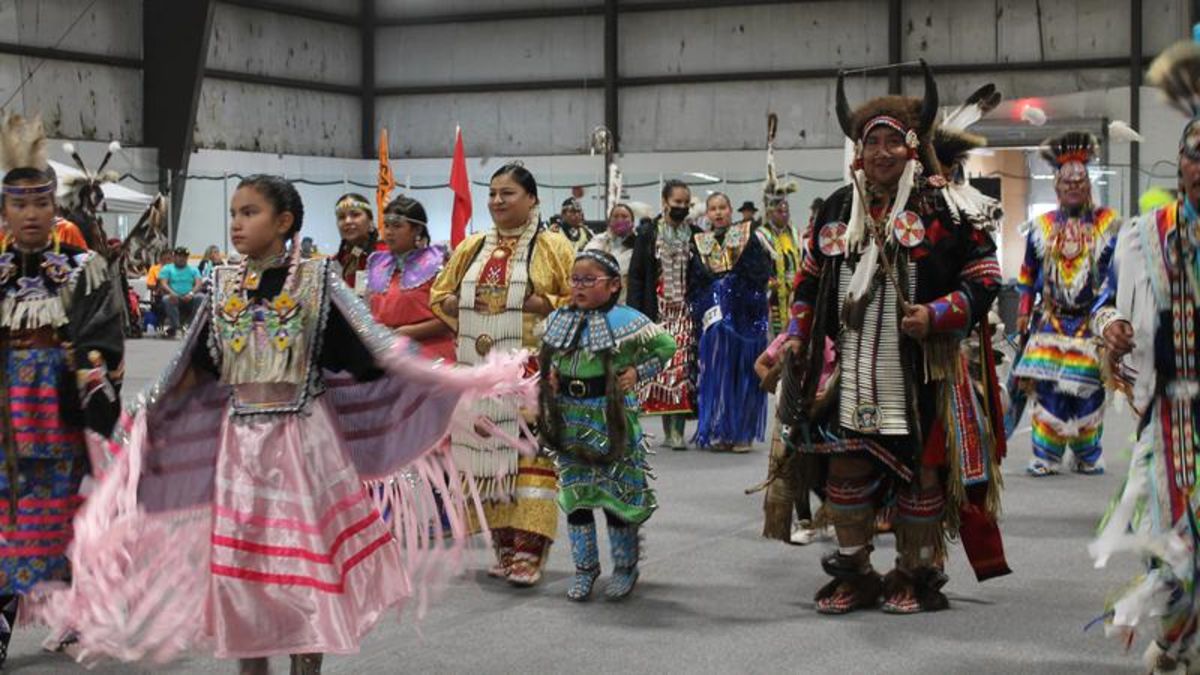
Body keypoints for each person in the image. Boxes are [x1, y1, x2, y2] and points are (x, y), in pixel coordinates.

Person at [34, 174, 533, 673]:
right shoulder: (221, 282)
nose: (237, 223)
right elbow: (193, 367)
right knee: (242, 574)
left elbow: (370, 353)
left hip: (302, 444)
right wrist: (139, 419)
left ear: (285, 221)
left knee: (299, 570)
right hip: (240, 449)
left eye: (249, 212)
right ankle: (252, 667)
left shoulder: (316, 281)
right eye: (234, 213)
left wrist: (457, 381)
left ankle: (304, 667)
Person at [784, 63, 1008, 615]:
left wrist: (936, 314)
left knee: (922, 471)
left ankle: (913, 572)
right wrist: (796, 333)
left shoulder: (946, 204)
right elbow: (810, 279)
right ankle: (856, 572)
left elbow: (983, 278)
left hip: (924, 369)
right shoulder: (838, 207)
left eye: (892, 141)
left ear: (912, 146)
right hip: (855, 365)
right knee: (845, 465)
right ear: (858, 151)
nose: (881, 153)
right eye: (871, 142)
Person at [1090, 39, 1200, 673]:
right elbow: (1105, 303)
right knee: (1174, 537)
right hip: (1171, 415)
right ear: (1180, 164)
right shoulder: (1142, 237)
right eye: (1196, 156)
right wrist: (1113, 328)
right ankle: (1180, 637)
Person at [0, 113, 124, 665]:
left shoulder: (83, 267)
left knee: (62, 526)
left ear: (55, 208)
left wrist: (87, 366)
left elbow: (105, 342)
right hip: (4, 419)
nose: (31, 214)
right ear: (4, 211)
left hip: (59, 418)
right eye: (19, 205)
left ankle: (82, 609)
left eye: (41, 204)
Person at [430, 163, 574, 586]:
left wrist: (541, 303)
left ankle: (530, 550)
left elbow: (576, 298)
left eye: (507, 193)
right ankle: (504, 545)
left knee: (530, 458)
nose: (496, 201)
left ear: (531, 199)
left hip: (532, 375)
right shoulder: (471, 247)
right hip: (479, 371)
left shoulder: (553, 246)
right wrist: (460, 306)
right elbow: (440, 294)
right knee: (486, 458)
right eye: (492, 193)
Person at [540, 249, 676, 601]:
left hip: (611, 418)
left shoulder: (628, 320)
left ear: (614, 285)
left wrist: (637, 371)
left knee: (617, 497)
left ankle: (625, 567)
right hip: (569, 417)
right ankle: (585, 568)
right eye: (575, 280)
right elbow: (551, 354)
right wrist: (554, 375)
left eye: (589, 280)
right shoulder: (561, 319)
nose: (579, 287)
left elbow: (666, 346)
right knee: (577, 497)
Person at [1010, 133, 1119, 477]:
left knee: (1089, 387)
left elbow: (1116, 274)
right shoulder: (1041, 227)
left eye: (1079, 181)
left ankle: (1087, 453)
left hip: (1091, 319)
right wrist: (1024, 308)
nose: (1073, 187)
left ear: (1088, 186)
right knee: (1048, 388)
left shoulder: (1108, 224)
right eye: (1066, 182)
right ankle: (1047, 454)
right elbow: (1028, 272)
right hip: (1051, 320)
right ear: (1056, 188)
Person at [688, 192, 772, 452]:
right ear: (707, 214)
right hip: (716, 322)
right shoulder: (700, 243)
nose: (718, 213)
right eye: (713, 209)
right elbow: (695, 281)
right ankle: (723, 431)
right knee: (719, 376)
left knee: (744, 373)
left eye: (722, 207)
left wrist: (733, 285)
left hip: (745, 318)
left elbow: (760, 273)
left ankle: (743, 433)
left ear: (731, 209)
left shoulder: (750, 237)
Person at [627, 179, 698, 450]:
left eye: (685, 203)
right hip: (656, 309)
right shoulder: (648, 234)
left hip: (685, 312)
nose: (681, 207)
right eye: (676, 202)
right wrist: (635, 315)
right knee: (662, 370)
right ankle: (667, 430)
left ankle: (678, 432)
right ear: (665, 202)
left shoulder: (695, 234)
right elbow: (636, 276)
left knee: (681, 370)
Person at [365, 194, 454, 361]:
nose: (389, 232)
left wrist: (407, 333)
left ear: (417, 229)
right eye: (387, 225)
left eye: (397, 226)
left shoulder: (437, 262)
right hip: (386, 356)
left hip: (430, 356)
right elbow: (369, 311)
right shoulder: (376, 263)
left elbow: (452, 318)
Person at [584, 203, 637, 302]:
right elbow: (587, 262)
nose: (620, 220)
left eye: (624, 216)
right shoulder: (599, 240)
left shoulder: (638, 245)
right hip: (600, 299)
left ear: (632, 222)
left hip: (626, 301)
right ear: (609, 221)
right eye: (615, 216)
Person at [333, 192, 383, 288]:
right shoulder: (336, 261)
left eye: (355, 215)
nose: (347, 221)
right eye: (341, 217)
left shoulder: (386, 255)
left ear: (370, 221)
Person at [157, 246, 204, 338]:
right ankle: (177, 327)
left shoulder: (193, 269)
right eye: (179, 256)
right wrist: (172, 292)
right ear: (174, 257)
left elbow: (199, 284)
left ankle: (190, 326)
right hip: (174, 297)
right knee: (166, 299)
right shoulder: (167, 268)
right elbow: (163, 283)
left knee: (201, 297)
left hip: (189, 297)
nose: (182, 258)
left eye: (184, 256)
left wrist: (191, 293)